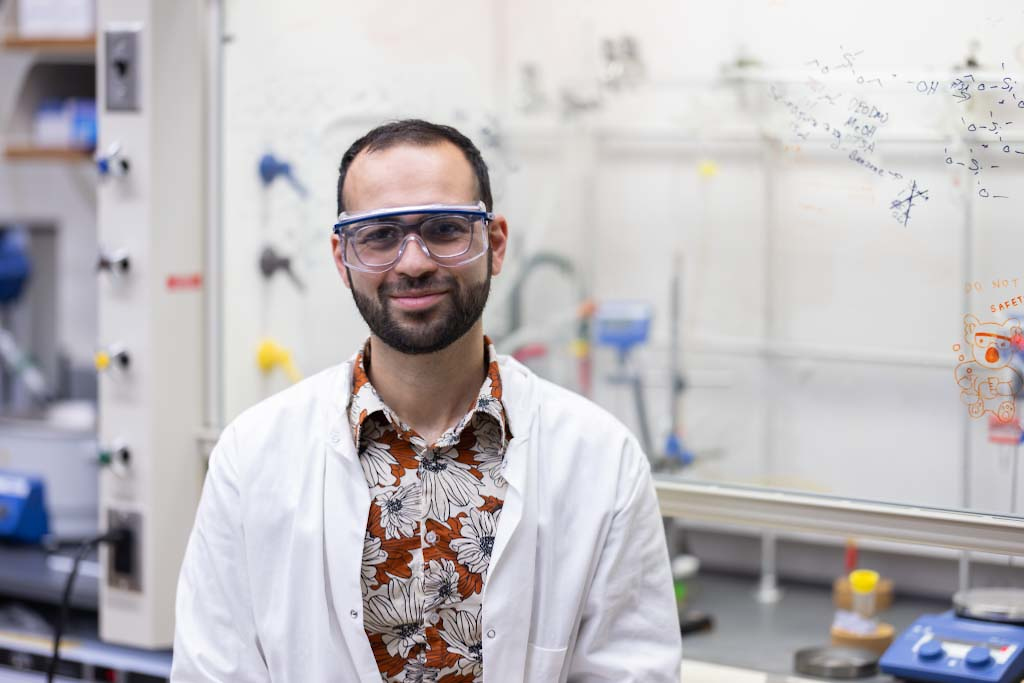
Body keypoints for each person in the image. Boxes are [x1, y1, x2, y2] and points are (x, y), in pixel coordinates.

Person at [171, 119, 681, 682]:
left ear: (496, 243)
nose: (412, 262)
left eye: (444, 229)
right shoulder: (252, 455)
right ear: (342, 258)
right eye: (380, 235)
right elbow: (212, 669)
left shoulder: (600, 457)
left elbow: (632, 671)